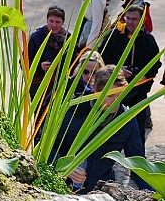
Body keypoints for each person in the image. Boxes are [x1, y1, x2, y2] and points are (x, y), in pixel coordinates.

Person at [65, 66, 152, 194]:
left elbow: (138, 163)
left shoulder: (126, 119)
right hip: (67, 185)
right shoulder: (75, 110)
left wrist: (157, 193)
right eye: (110, 96)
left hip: (101, 188)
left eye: (119, 95)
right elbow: (50, 149)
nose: (115, 102)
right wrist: (65, 167)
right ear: (96, 90)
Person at [98, 5, 161, 143]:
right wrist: (116, 70)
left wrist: (144, 76)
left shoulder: (148, 40)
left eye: (135, 19)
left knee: (138, 127)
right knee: (108, 126)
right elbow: (101, 57)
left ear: (142, 20)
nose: (131, 22)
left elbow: (156, 64)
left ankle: (138, 156)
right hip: (115, 90)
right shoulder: (114, 36)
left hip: (138, 91)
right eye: (129, 19)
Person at [27, 5, 70, 95]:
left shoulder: (68, 38)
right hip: (39, 84)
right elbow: (24, 61)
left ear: (63, 23)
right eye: (51, 21)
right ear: (47, 21)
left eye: (57, 22)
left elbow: (74, 59)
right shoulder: (36, 37)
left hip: (61, 84)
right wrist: (40, 66)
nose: (54, 25)